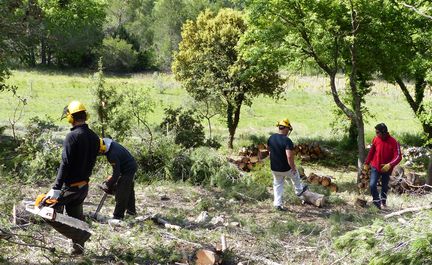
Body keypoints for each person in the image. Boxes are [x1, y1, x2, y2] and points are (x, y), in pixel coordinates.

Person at [43, 100, 100, 255]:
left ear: (71, 117)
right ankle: (78, 249)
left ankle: (82, 236)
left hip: (71, 187)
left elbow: (65, 163)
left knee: (46, 211)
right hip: (83, 186)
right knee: (76, 219)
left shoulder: (72, 136)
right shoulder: (94, 137)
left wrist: (56, 188)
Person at [267, 118, 307, 211]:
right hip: (285, 168)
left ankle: (277, 204)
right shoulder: (287, 141)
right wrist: (293, 167)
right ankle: (299, 191)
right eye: (288, 129)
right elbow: (289, 156)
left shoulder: (271, 138)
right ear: (285, 128)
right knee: (295, 175)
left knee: (277, 185)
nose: (288, 131)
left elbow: (269, 149)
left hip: (274, 168)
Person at [364, 123, 401, 209]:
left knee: (384, 186)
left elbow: (398, 156)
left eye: (377, 132)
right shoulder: (376, 139)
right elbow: (371, 152)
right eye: (376, 132)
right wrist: (366, 162)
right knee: (372, 185)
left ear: (383, 132)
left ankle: (383, 203)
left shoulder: (394, 142)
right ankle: (377, 202)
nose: (376, 134)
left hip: (386, 168)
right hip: (375, 166)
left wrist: (390, 165)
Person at [98, 138, 137, 220]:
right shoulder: (109, 144)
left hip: (128, 169)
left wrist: (108, 185)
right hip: (127, 167)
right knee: (128, 190)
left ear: (102, 149)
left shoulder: (112, 154)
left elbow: (116, 174)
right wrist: (110, 181)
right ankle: (131, 212)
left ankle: (118, 216)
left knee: (121, 192)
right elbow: (116, 171)